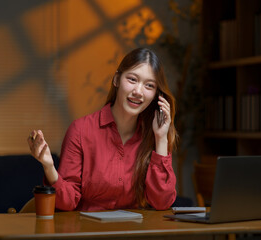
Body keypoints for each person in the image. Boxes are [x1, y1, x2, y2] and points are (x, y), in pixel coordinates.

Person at [27, 48, 178, 211]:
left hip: (133, 233)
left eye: (149, 85)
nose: (138, 91)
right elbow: (67, 202)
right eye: (132, 79)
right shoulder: (81, 130)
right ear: (117, 80)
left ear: (157, 95)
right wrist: (49, 167)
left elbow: (162, 203)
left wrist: (161, 139)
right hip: (88, 232)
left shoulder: (153, 136)